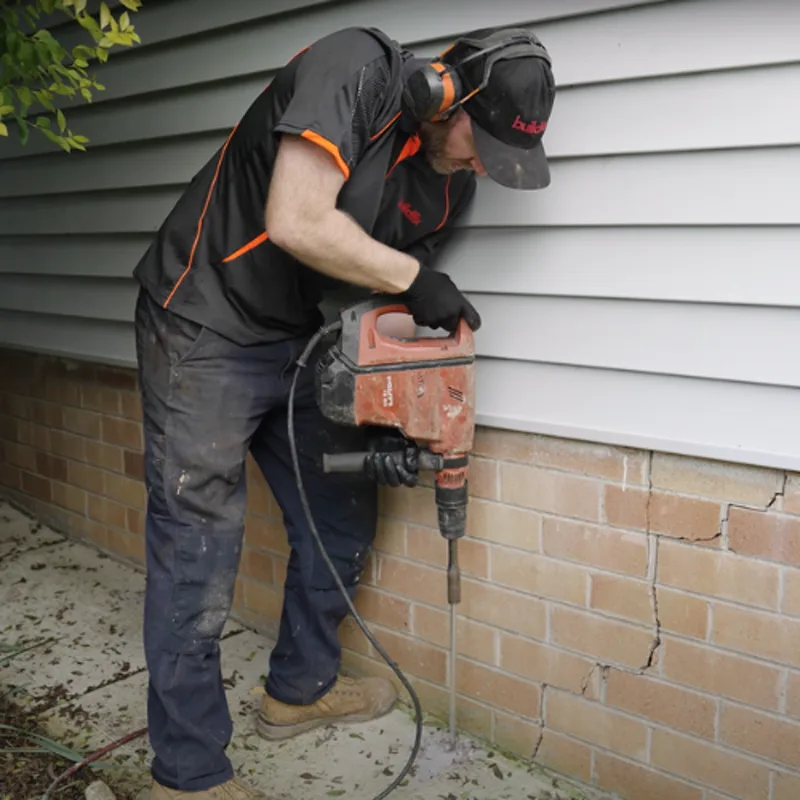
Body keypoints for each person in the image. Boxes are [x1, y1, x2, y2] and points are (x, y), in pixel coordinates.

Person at [131, 22, 555, 800]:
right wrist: (415, 278)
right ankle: (186, 776)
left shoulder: (448, 179)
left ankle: (298, 691)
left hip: (296, 336)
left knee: (340, 517)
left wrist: (409, 380)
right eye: (478, 145)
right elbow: (297, 219)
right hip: (203, 323)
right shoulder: (353, 69)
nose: (479, 169)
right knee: (199, 544)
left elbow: (378, 287)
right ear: (445, 92)